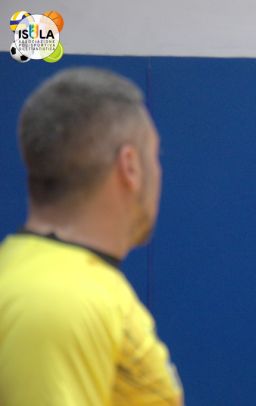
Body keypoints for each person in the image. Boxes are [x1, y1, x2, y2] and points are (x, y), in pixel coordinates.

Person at [0, 68, 183, 405]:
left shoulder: (57, 281)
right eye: (155, 155)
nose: (159, 171)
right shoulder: (57, 300)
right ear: (130, 166)